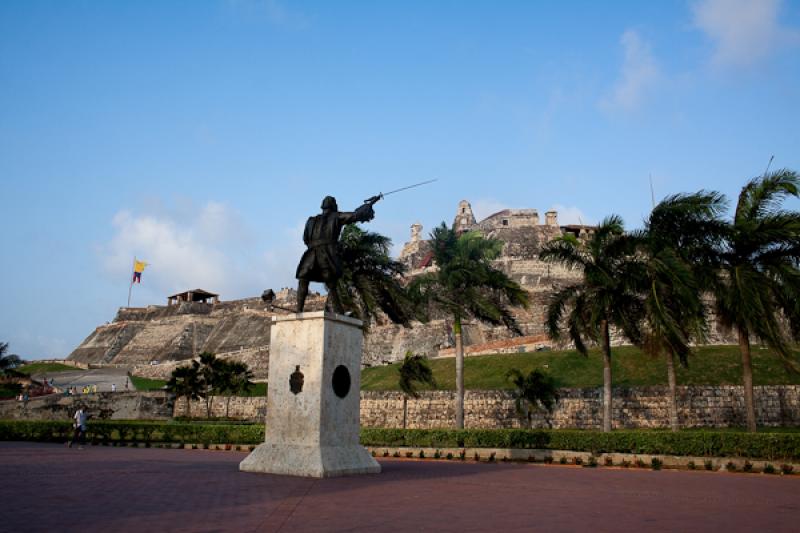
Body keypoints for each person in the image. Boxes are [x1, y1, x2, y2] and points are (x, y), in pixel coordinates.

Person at [295, 195, 380, 313]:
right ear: (334, 206)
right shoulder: (337, 216)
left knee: (304, 279)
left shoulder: (311, 221)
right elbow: (355, 215)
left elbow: (305, 238)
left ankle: (299, 310)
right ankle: (338, 311)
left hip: (311, 253)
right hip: (326, 253)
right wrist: (368, 206)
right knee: (331, 283)